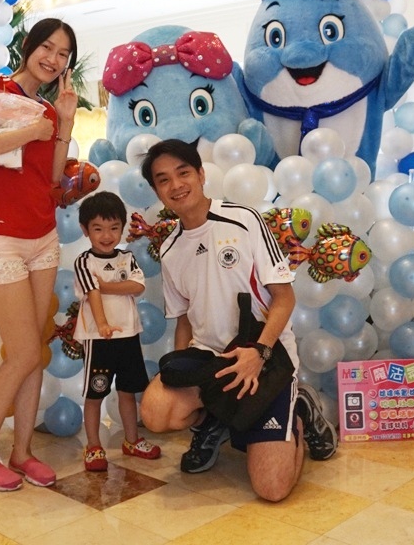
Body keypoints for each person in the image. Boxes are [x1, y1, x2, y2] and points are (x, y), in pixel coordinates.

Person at [138, 139, 338, 502]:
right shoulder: (169, 249)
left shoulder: (244, 220)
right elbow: (184, 320)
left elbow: (284, 298)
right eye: (163, 179)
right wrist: (179, 371)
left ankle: (298, 411)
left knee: (271, 488)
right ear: (157, 191)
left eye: (183, 173)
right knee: (155, 413)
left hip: (265, 357)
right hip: (211, 359)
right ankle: (214, 421)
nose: (176, 185)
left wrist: (259, 353)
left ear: (201, 175)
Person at [0, 18, 78, 493]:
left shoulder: (48, 109)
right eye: (47, 47)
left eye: (63, 54)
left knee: (35, 351)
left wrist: (64, 123)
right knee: (23, 351)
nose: (53, 58)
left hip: (42, 236)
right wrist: (32, 131)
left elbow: (52, 178)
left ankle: (22, 452)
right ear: (29, 47)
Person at [72, 191, 161, 472]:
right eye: (98, 229)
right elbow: (92, 294)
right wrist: (102, 324)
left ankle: (132, 441)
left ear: (122, 228)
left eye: (113, 228)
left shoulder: (126, 258)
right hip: (99, 340)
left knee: (127, 391)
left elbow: (137, 286)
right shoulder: (84, 262)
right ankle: (93, 446)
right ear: (85, 230)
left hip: (128, 337)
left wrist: (105, 285)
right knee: (95, 394)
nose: (107, 235)